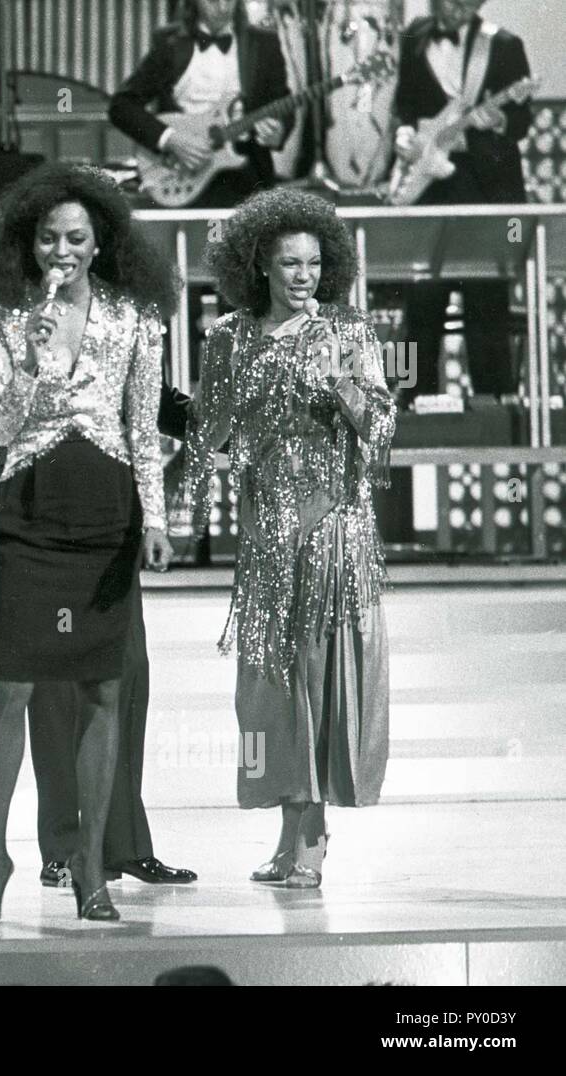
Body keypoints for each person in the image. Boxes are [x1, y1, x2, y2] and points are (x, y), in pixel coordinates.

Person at [0, 163, 178, 923]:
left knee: (102, 690)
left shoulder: (135, 316)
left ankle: (91, 868)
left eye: (76, 238)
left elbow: (144, 427)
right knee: (10, 685)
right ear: (30, 240)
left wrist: (157, 519)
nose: (62, 251)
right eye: (49, 237)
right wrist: (30, 361)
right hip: (30, 508)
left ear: (99, 241)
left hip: (105, 510)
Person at [187, 189, 394, 889]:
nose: (303, 275)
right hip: (267, 534)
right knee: (270, 691)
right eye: (288, 263)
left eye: (313, 263)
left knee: (316, 674)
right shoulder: (228, 337)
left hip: (333, 527)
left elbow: (382, 431)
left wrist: (342, 381)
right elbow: (206, 433)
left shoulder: (349, 333)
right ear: (261, 266)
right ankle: (290, 832)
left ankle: (310, 842)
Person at [27, 381, 199, 890]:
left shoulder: (129, 317)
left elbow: (157, 403)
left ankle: (121, 847)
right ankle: (62, 850)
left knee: (125, 679)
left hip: (114, 518)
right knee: (57, 690)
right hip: (42, 513)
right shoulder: (27, 316)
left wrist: (232, 415)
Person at [392, 0, 533, 405]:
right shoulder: (413, 37)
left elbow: (522, 121)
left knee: (486, 301)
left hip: (484, 189)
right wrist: (403, 133)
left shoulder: (504, 46)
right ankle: (405, 400)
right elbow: (405, 103)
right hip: (426, 190)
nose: (452, 10)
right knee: (417, 303)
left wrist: (501, 121)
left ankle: (494, 405)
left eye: (463, 3)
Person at [108, 0, 292, 209]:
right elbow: (121, 106)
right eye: (213, 1)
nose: (223, 8)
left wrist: (279, 131)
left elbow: (282, 101)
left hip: (247, 174)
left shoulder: (263, 42)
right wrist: (170, 139)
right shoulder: (169, 44)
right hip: (183, 171)